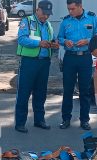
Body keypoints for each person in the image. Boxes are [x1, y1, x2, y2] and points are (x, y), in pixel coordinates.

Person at [57, 0, 97, 130]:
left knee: (85, 90)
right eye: (68, 9)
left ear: (80, 7)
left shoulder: (92, 17)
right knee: (68, 90)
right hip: (70, 58)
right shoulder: (66, 21)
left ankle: (84, 120)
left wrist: (88, 41)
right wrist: (65, 41)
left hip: (85, 58)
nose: (70, 12)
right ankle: (66, 119)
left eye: (72, 9)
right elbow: (59, 38)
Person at [15, 0, 59, 133]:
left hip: (44, 63)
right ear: (37, 10)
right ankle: (20, 123)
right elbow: (21, 39)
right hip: (29, 62)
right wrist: (39, 43)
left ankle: (39, 120)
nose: (45, 16)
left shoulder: (48, 25)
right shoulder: (27, 21)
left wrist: (54, 45)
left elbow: (52, 40)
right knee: (24, 92)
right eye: (44, 13)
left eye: (48, 14)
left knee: (41, 93)